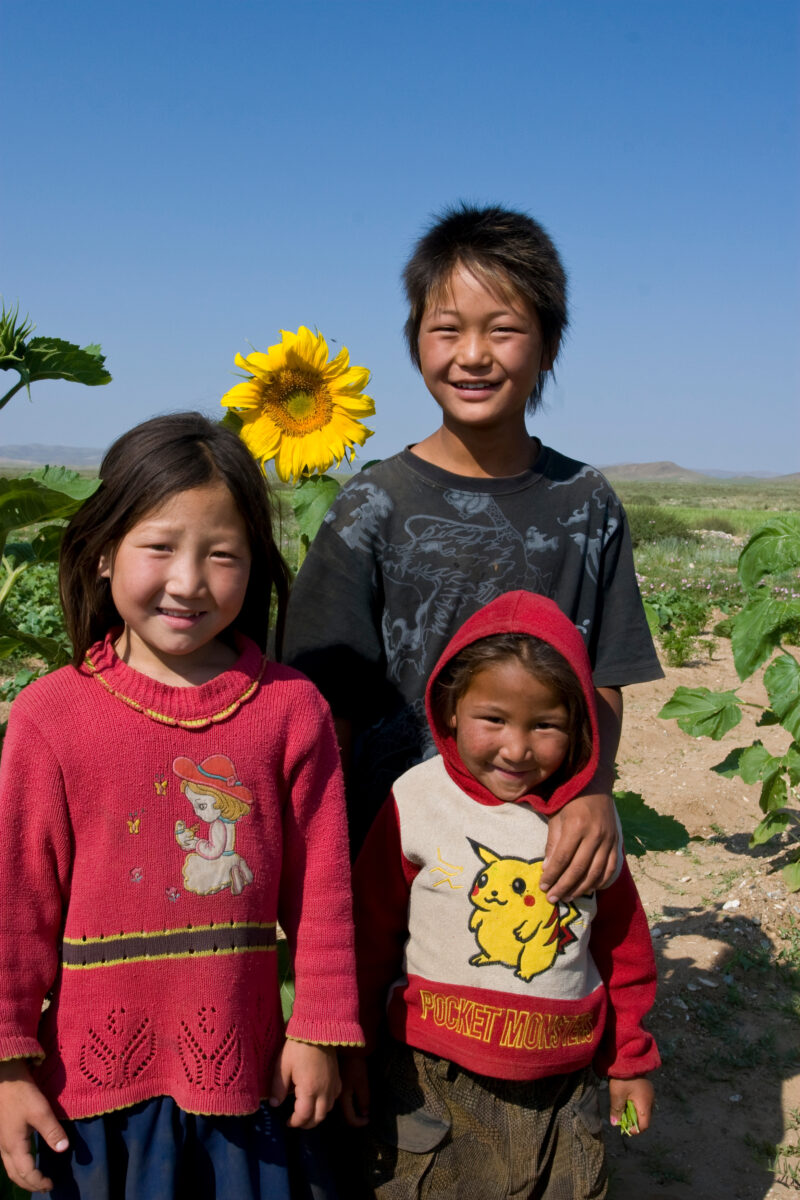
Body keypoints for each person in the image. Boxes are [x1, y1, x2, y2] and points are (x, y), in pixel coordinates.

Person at [0, 413, 364, 1198]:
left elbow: (325, 894)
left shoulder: (291, 710)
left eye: (221, 554)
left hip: (247, 1077)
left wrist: (318, 1029)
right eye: (159, 546)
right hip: (91, 1094)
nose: (188, 580)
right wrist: (8, 1065)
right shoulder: (50, 715)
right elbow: (17, 906)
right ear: (102, 551)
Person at [285, 202, 663, 898]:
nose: (472, 354)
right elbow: (322, 697)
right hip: (392, 846)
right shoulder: (373, 504)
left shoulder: (586, 503)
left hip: (537, 849)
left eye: (504, 330)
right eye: (447, 329)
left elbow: (605, 674)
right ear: (416, 343)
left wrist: (592, 790)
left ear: (549, 346)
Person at [341, 590, 659, 1198]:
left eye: (546, 726)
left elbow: (622, 948)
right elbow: (371, 934)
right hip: (432, 1076)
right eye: (494, 719)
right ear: (451, 707)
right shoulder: (418, 799)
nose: (516, 749)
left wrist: (630, 1060)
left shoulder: (587, 818)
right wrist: (353, 1047)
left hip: (562, 1083)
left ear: (579, 726)